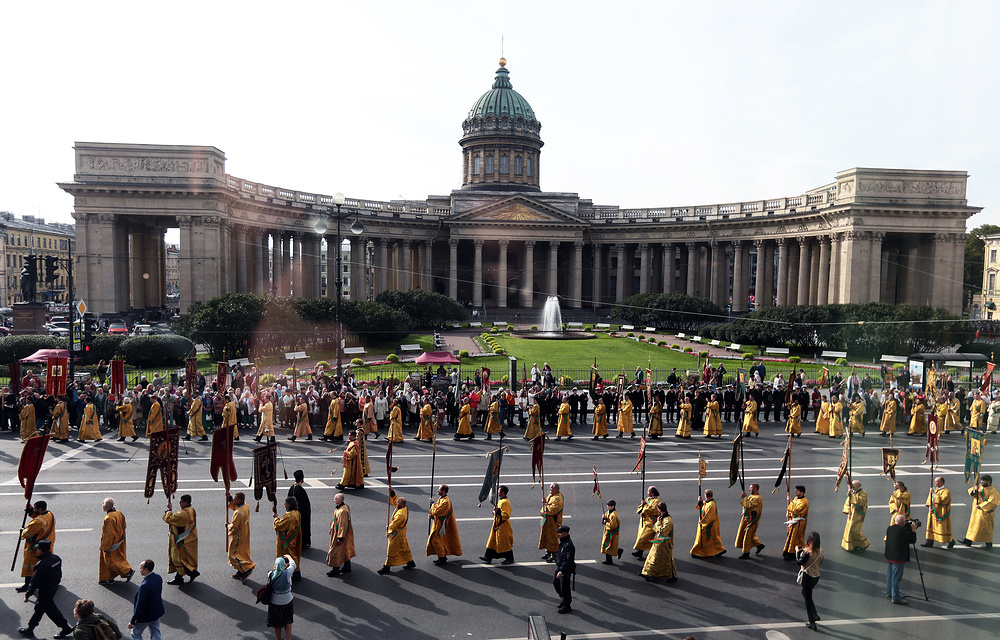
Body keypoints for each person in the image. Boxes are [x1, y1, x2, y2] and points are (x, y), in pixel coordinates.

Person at [18, 539, 75, 639]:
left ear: (40, 550)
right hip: (53, 588)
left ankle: (65, 627)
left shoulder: (41, 565)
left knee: (51, 610)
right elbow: (59, 574)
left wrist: (27, 595)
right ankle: (30, 629)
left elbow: (33, 582)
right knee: (40, 608)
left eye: (38, 549)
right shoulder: (56, 558)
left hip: (45, 591)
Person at [18, 501, 55, 593]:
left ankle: (28, 585)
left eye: (35, 509)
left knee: (31, 567)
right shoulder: (49, 515)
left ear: (40, 509)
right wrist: (30, 510)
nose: (34, 510)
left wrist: (22, 531)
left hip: (35, 549)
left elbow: (26, 533)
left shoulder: (37, 522)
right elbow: (38, 518)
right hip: (47, 544)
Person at [163, 494, 199, 585]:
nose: (179, 503)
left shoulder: (183, 513)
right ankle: (179, 577)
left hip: (182, 539)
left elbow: (170, 519)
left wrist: (169, 510)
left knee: (177, 558)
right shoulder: (191, 509)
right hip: (190, 538)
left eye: (181, 501)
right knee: (184, 558)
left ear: (186, 502)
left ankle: (191, 573)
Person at [378, 492, 416, 574]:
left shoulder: (401, 515)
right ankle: (410, 562)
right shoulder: (403, 508)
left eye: (398, 502)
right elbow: (395, 499)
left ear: (402, 504)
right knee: (403, 548)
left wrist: (388, 528)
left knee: (391, 550)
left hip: (396, 535)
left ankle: (386, 567)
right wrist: (392, 491)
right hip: (401, 533)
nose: (396, 503)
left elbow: (394, 526)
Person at [99, 497, 134, 585]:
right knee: (117, 558)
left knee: (111, 560)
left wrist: (105, 547)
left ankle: (127, 571)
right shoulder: (119, 513)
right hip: (119, 540)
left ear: (107, 505)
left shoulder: (109, 518)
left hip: (112, 543)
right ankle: (108, 578)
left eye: (103, 504)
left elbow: (109, 534)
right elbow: (124, 525)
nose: (102, 505)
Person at [885, 514, 917, 604]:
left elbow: (900, 531)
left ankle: (889, 593)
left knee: (890, 576)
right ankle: (895, 598)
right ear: (903, 523)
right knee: (896, 578)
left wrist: (907, 527)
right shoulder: (903, 532)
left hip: (889, 556)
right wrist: (913, 530)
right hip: (898, 559)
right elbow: (912, 540)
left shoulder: (890, 528)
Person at [641, 502, 677, 582]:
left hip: (664, 543)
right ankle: (649, 573)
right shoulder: (662, 517)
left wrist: (657, 523)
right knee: (654, 557)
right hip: (659, 541)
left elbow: (662, 532)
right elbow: (655, 529)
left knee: (664, 559)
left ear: (660, 510)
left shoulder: (667, 520)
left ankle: (672, 575)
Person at [427, 484, 462, 565]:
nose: (437, 491)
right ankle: (441, 556)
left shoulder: (446, 501)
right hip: (437, 522)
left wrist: (432, 503)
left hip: (440, 525)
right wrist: (432, 516)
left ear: (443, 491)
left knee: (436, 540)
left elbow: (437, 511)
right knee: (436, 540)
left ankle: (442, 558)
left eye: (439, 489)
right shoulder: (442, 499)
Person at [129, 559, 164, 640]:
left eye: (141, 568)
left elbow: (139, 605)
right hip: (156, 612)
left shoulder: (144, 586)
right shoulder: (158, 577)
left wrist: (132, 621)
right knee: (155, 632)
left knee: (135, 635)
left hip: (146, 616)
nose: (139, 570)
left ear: (146, 570)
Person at [961, 473, 999, 548]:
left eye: (984, 481)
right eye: (982, 480)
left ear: (989, 482)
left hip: (985, 512)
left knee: (985, 527)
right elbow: (973, 494)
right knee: (973, 525)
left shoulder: (993, 491)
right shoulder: (979, 487)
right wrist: (975, 490)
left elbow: (993, 502)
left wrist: (981, 506)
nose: (982, 482)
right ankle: (968, 540)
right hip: (976, 511)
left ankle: (988, 543)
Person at [480, 485, 514, 564]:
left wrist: (498, 512)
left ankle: (510, 558)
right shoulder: (500, 501)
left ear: (503, 492)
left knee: (504, 542)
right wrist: (495, 512)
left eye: (499, 491)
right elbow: (496, 513)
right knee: (493, 541)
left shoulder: (505, 502)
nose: (498, 492)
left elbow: (506, 515)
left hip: (502, 525)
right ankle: (488, 557)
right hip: (497, 524)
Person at [796, 531, 823, 630]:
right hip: (816, 576)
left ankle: (812, 622)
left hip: (808, 576)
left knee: (807, 598)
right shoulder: (821, 551)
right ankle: (814, 614)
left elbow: (799, 562)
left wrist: (797, 552)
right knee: (806, 594)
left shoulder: (807, 552)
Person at [266, 555, 296, 640]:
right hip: (287, 601)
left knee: (276, 623)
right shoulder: (287, 573)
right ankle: (288, 639)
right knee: (288, 621)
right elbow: (293, 565)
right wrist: (289, 557)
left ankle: (279, 638)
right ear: (284, 565)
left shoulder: (270, 574)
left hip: (275, 602)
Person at [227, 492, 255, 581]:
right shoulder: (245, 505)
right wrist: (229, 498)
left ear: (239, 500)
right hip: (244, 532)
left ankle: (246, 569)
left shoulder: (239, 513)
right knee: (242, 552)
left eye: (235, 499)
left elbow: (234, 527)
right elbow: (235, 507)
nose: (234, 500)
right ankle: (240, 572)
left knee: (233, 554)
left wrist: (228, 526)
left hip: (239, 535)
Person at [273, 497, 303, 581]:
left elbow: (279, 526)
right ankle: (296, 572)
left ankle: (292, 573)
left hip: (287, 539)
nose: (284, 505)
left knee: (289, 556)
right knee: (293, 555)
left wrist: (276, 518)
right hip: (294, 538)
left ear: (289, 505)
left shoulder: (289, 516)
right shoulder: (297, 513)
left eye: (285, 503)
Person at [326, 493, 355, 576]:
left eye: (335, 499)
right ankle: (347, 566)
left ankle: (335, 569)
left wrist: (340, 537)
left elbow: (342, 525)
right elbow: (336, 520)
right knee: (345, 549)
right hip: (342, 532)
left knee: (335, 551)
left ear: (340, 500)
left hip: (341, 534)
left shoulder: (342, 511)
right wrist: (331, 528)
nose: (334, 500)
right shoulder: (342, 507)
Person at [691, 490, 726, 557]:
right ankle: (720, 549)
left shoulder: (712, 505)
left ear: (706, 496)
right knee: (713, 538)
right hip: (706, 524)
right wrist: (700, 502)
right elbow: (702, 507)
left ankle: (698, 552)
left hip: (709, 525)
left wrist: (702, 523)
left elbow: (709, 517)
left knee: (702, 538)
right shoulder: (707, 502)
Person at [922, 476, 954, 548]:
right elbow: (930, 500)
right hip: (932, 512)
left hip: (940, 513)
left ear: (941, 482)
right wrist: (930, 507)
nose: (934, 483)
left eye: (936, 481)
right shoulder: (934, 489)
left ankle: (951, 541)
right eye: (935, 481)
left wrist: (933, 493)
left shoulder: (946, 491)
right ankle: (929, 542)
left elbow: (942, 501)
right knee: (931, 527)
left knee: (942, 529)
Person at [735, 483, 765, 559]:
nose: (749, 489)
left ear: (755, 489)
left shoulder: (757, 498)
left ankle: (746, 552)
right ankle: (759, 545)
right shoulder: (752, 496)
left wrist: (745, 497)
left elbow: (749, 506)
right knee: (744, 533)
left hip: (752, 520)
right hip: (746, 519)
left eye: (751, 488)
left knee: (747, 536)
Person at [633, 486, 661, 559]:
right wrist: (641, 511)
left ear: (652, 493)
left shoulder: (656, 501)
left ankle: (646, 552)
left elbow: (652, 510)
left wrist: (645, 505)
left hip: (651, 523)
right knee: (641, 536)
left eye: (648, 491)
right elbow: (642, 507)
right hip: (645, 521)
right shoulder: (648, 499)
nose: (647, 492)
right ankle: (640, 552)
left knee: (644, 538)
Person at [553, 525, 575, 614]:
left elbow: (567, 561)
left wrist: (562, 571)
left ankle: (567, 605)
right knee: (556, 583)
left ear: (565, 534)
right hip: (560, 567)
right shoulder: (563, 542)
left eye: (560, 533)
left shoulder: (568, 545)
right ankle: (563, 599)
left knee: (564, 588)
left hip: (565, 569)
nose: (558, 534)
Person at [842, 480, 870, 552]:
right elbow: (848, 503)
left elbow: (860, 502)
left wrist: (851, 495)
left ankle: (863, 544)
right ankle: (850, 545)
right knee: (849, 529)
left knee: (855, 530)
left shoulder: (863, 493)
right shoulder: (852, 493)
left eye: (854, 484)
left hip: (858, 514)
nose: (852, 485)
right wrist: (848, 512)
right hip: (851, 514)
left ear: (858, 485)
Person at [783, 486, 809, 560]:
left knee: (797, 538)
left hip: (800, 522)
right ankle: (788, 551)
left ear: (802, 492)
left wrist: (790, 502)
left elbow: (796, 510)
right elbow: (790, 508)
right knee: (791, 537)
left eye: (797, 491)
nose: (795, 492)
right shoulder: (796, 498)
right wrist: (788, 513)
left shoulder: (805, 501)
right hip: (794, 521)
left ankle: (796, 552)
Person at [539, 483, 564, 562]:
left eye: (551, 488)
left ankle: (554, 554)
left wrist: (546, 505)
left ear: (556, 489)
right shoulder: (551, 496)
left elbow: (554, 509)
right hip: (548, 521)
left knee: (552, 537)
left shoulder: (558, 498)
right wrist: (545, 501)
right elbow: (548, 503)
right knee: (546, 535)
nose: (550, 490)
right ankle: (548, 552)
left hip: (553, 521)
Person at [288, 471, 312, 549]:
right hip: (301, 513)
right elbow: (305, 504)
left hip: (292, 512)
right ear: (301, 479)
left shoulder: (292, 488)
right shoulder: (301, 490)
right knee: (302, 528)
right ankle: (303, 543)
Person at [601, 500, 621, 564]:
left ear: (613, 506)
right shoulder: (608, 512)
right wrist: (604, 518)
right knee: (607, 545)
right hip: (608, 532)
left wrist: (606, 522)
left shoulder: (614, 515)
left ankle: (609, 559)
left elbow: (612, 526)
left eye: (609, 506)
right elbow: (606, 520)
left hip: (612, 533)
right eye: (607, 506)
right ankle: (610, 558)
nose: (608, 507)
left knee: (609, 546)